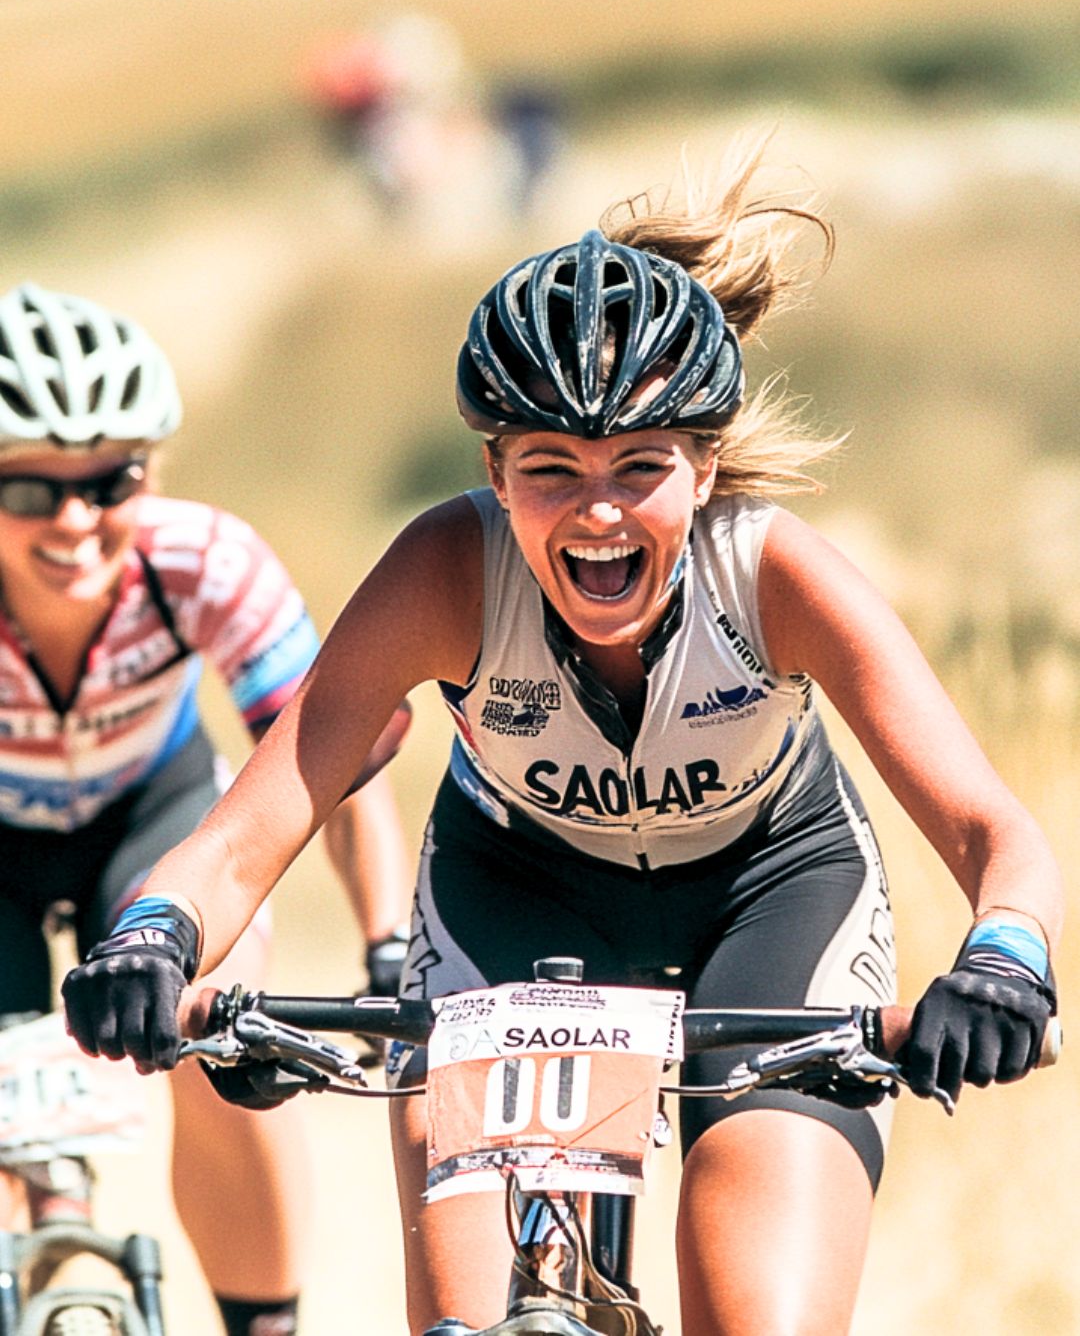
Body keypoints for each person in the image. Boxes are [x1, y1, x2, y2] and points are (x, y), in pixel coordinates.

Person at [62, 138, 1062, 1336]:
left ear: (703, 469)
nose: (596, 512)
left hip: (773, 896)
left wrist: (1004, 959)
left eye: (640, 468)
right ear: (492, 468)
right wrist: (151, 942)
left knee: (760, 1317)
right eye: (550, 470)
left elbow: (991, 829)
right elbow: (242, 838)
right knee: (479, 1330)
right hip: (516, 901)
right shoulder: (445, 569)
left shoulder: (775, 573)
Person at [0, 281, 412, 1336]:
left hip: (154, 817)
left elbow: (335, 763)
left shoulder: (205, 563)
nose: (78, 520)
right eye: (33, 493)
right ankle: (46, 1219)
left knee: (218, 1041)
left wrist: (388, 942)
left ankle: (263, 1326)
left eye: (111, 479)